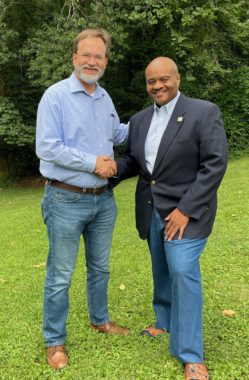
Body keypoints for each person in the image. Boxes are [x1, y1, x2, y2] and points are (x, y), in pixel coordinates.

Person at [110, 57, 228, 380]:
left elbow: (215, 164)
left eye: (164, 79)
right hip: (151, 209)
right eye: (151, 81)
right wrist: (108, 172)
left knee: (182, 271)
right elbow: (136, 161)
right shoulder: (139, 120)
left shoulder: (203, 112)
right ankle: (164, 321)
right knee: (161, 267)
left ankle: (191, 354)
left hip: (187, 213)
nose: (157, 86)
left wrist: (186, 209)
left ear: (177, 78)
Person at [36, 28, 129, 370]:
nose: (92, 61)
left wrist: (156, 120)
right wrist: (92, 163)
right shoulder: (55, 96)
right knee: (61, 273)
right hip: (65, 199)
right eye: (86, 54)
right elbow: (47, 147)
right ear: (74, 57)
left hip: (103, 201)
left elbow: (117, 132)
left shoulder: (104, 98)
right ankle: (54, 341)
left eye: (98, 56)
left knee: (101, 267)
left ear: (106, 61)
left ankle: (99, 320)